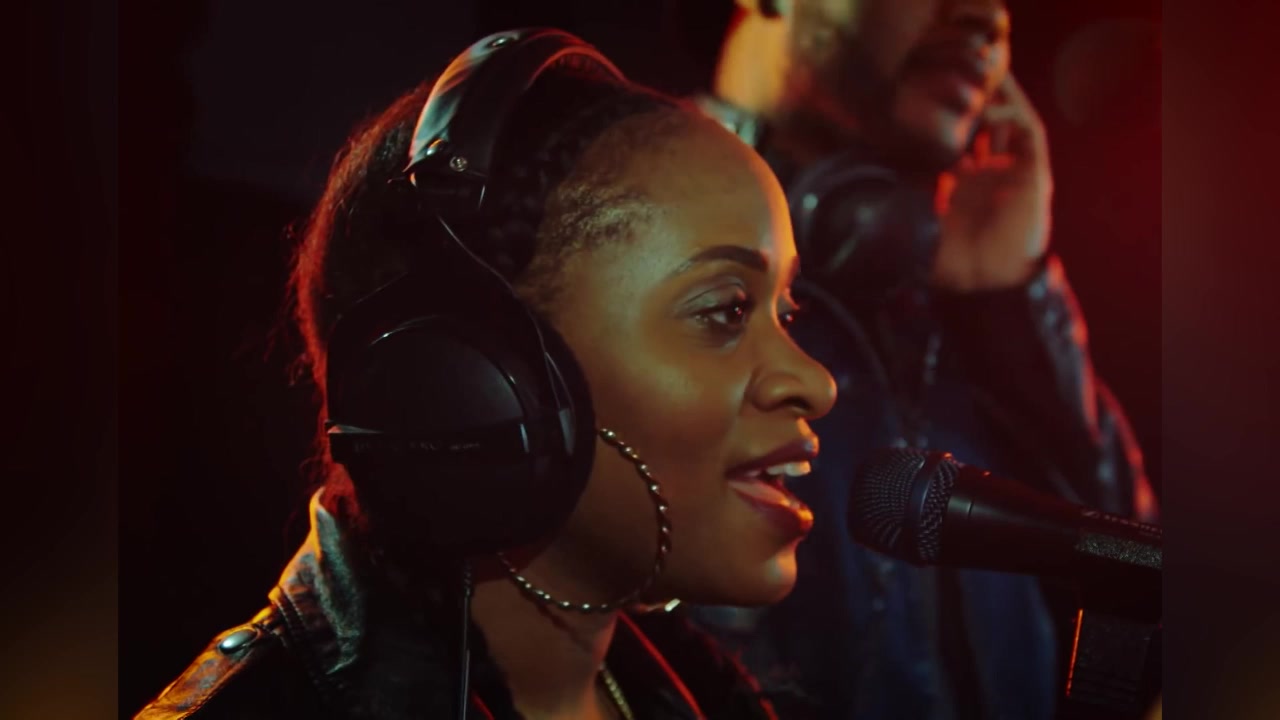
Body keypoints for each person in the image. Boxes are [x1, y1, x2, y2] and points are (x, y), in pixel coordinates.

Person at [135, 29, 836, 720]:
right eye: (725, 310)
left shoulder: (712, 695)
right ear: (476, 383)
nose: (815, 383)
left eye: (786, 312)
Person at [686, 1, 1161, 718]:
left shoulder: (967, 273)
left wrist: (1014, 303)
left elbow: (1137, 585)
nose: (985, 18)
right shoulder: (607, 236)